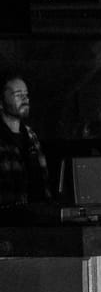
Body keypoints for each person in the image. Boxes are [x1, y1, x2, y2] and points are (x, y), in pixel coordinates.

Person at [0, 71, 50, 208]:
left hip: (34, 214)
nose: (25, 99)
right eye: (18, 95)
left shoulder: (30, 135)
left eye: (26, 94)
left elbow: (43, 178)